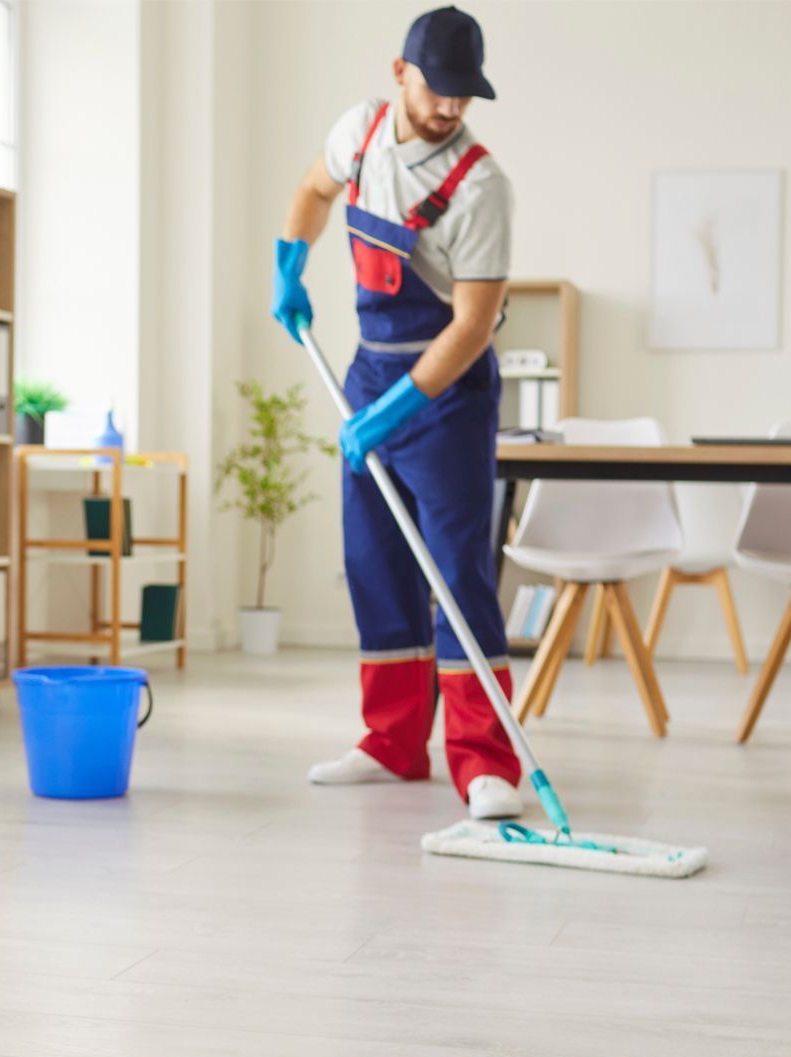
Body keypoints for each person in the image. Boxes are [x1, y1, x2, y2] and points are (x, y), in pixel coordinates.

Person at [272, 5, 523, 821]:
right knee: (376, 562)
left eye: (464, 95)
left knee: (457, 577)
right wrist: (290, 265)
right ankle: (391, 744)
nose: (450, 108)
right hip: (365, 375)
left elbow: (473, 325)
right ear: (399, 72)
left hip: (446, 399)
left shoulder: (482, 186)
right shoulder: (360, 132)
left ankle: (486, 765)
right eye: (437, 89)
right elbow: (314, 190)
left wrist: (394, 413)